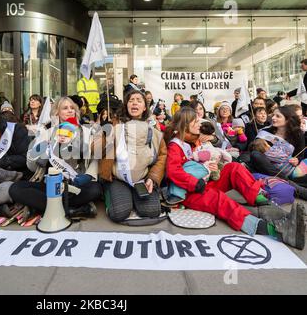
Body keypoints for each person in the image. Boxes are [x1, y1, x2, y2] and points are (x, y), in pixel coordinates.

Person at [164, 107, 305, 250]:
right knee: (220, 199)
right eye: (195, 121)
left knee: (234, 168)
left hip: (203, 182)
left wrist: (209, 164)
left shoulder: (192, 140)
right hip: (188, 193)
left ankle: (267, 205)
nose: (199, 124)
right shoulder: (176, 145)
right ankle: (276, 231)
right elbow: (172, 171)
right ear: (185, 125)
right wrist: (194, 182)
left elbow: (212, 143)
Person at [9, 96, 102, 218]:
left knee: (96, 189)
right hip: (50, 185)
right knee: (15, 189)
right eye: (65, 108)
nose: (70, 111)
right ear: (57, 112)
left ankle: (42, 208)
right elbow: (31, 166)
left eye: (72, 108)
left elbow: (96, 157)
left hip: (76, 184)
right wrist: (42, 150)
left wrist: (89, 175)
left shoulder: (86, 132)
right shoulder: (47, 133)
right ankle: (74, 209)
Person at [99, 90, 167, 224]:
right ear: (126, 105)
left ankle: (132, 196)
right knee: (119, 212)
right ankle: (109, 193)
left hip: (142, 179)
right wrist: (105, 134)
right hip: (118, 178)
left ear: (144, 107)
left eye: (139, 100)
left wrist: (152, 179)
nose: (134, 102)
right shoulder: (114, 125)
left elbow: (162, 156)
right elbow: (95, 150)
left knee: (152, 211)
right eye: (131, 100)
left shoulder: (153, 130)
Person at [250, 106, 307, 187]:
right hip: (267, 169)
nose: (273, 118)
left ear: (287, 119)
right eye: (273, 115)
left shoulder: (297, 134)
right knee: (255, 155)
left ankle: (289, 182)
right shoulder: (265, 131)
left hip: (288, 170)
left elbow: (300, 155)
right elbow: (254, 152)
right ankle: (286, 181)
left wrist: (297, 160)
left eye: (278, 116)